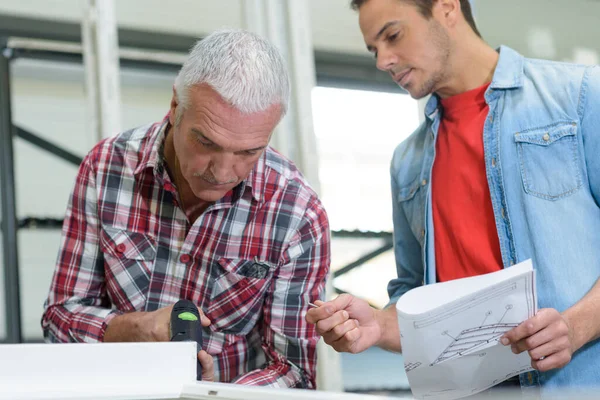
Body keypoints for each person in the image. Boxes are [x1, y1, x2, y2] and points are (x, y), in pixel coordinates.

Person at [306, 0, 600, 395]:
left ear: (446, 8)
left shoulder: (579, 97)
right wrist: (379, 326)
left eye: (392, 36)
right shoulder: (407, 162)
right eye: (373, 49)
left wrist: (575, 326)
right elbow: (415, 297)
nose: (383, 60)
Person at [42, 29, 330, 388]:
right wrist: (134, 330)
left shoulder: (297, 214)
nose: (223, 172)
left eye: (248, 152)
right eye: (206, 142)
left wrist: (216, 395)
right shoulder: (107, 169)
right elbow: (59, 319)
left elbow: (294, 371)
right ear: (176, 106)